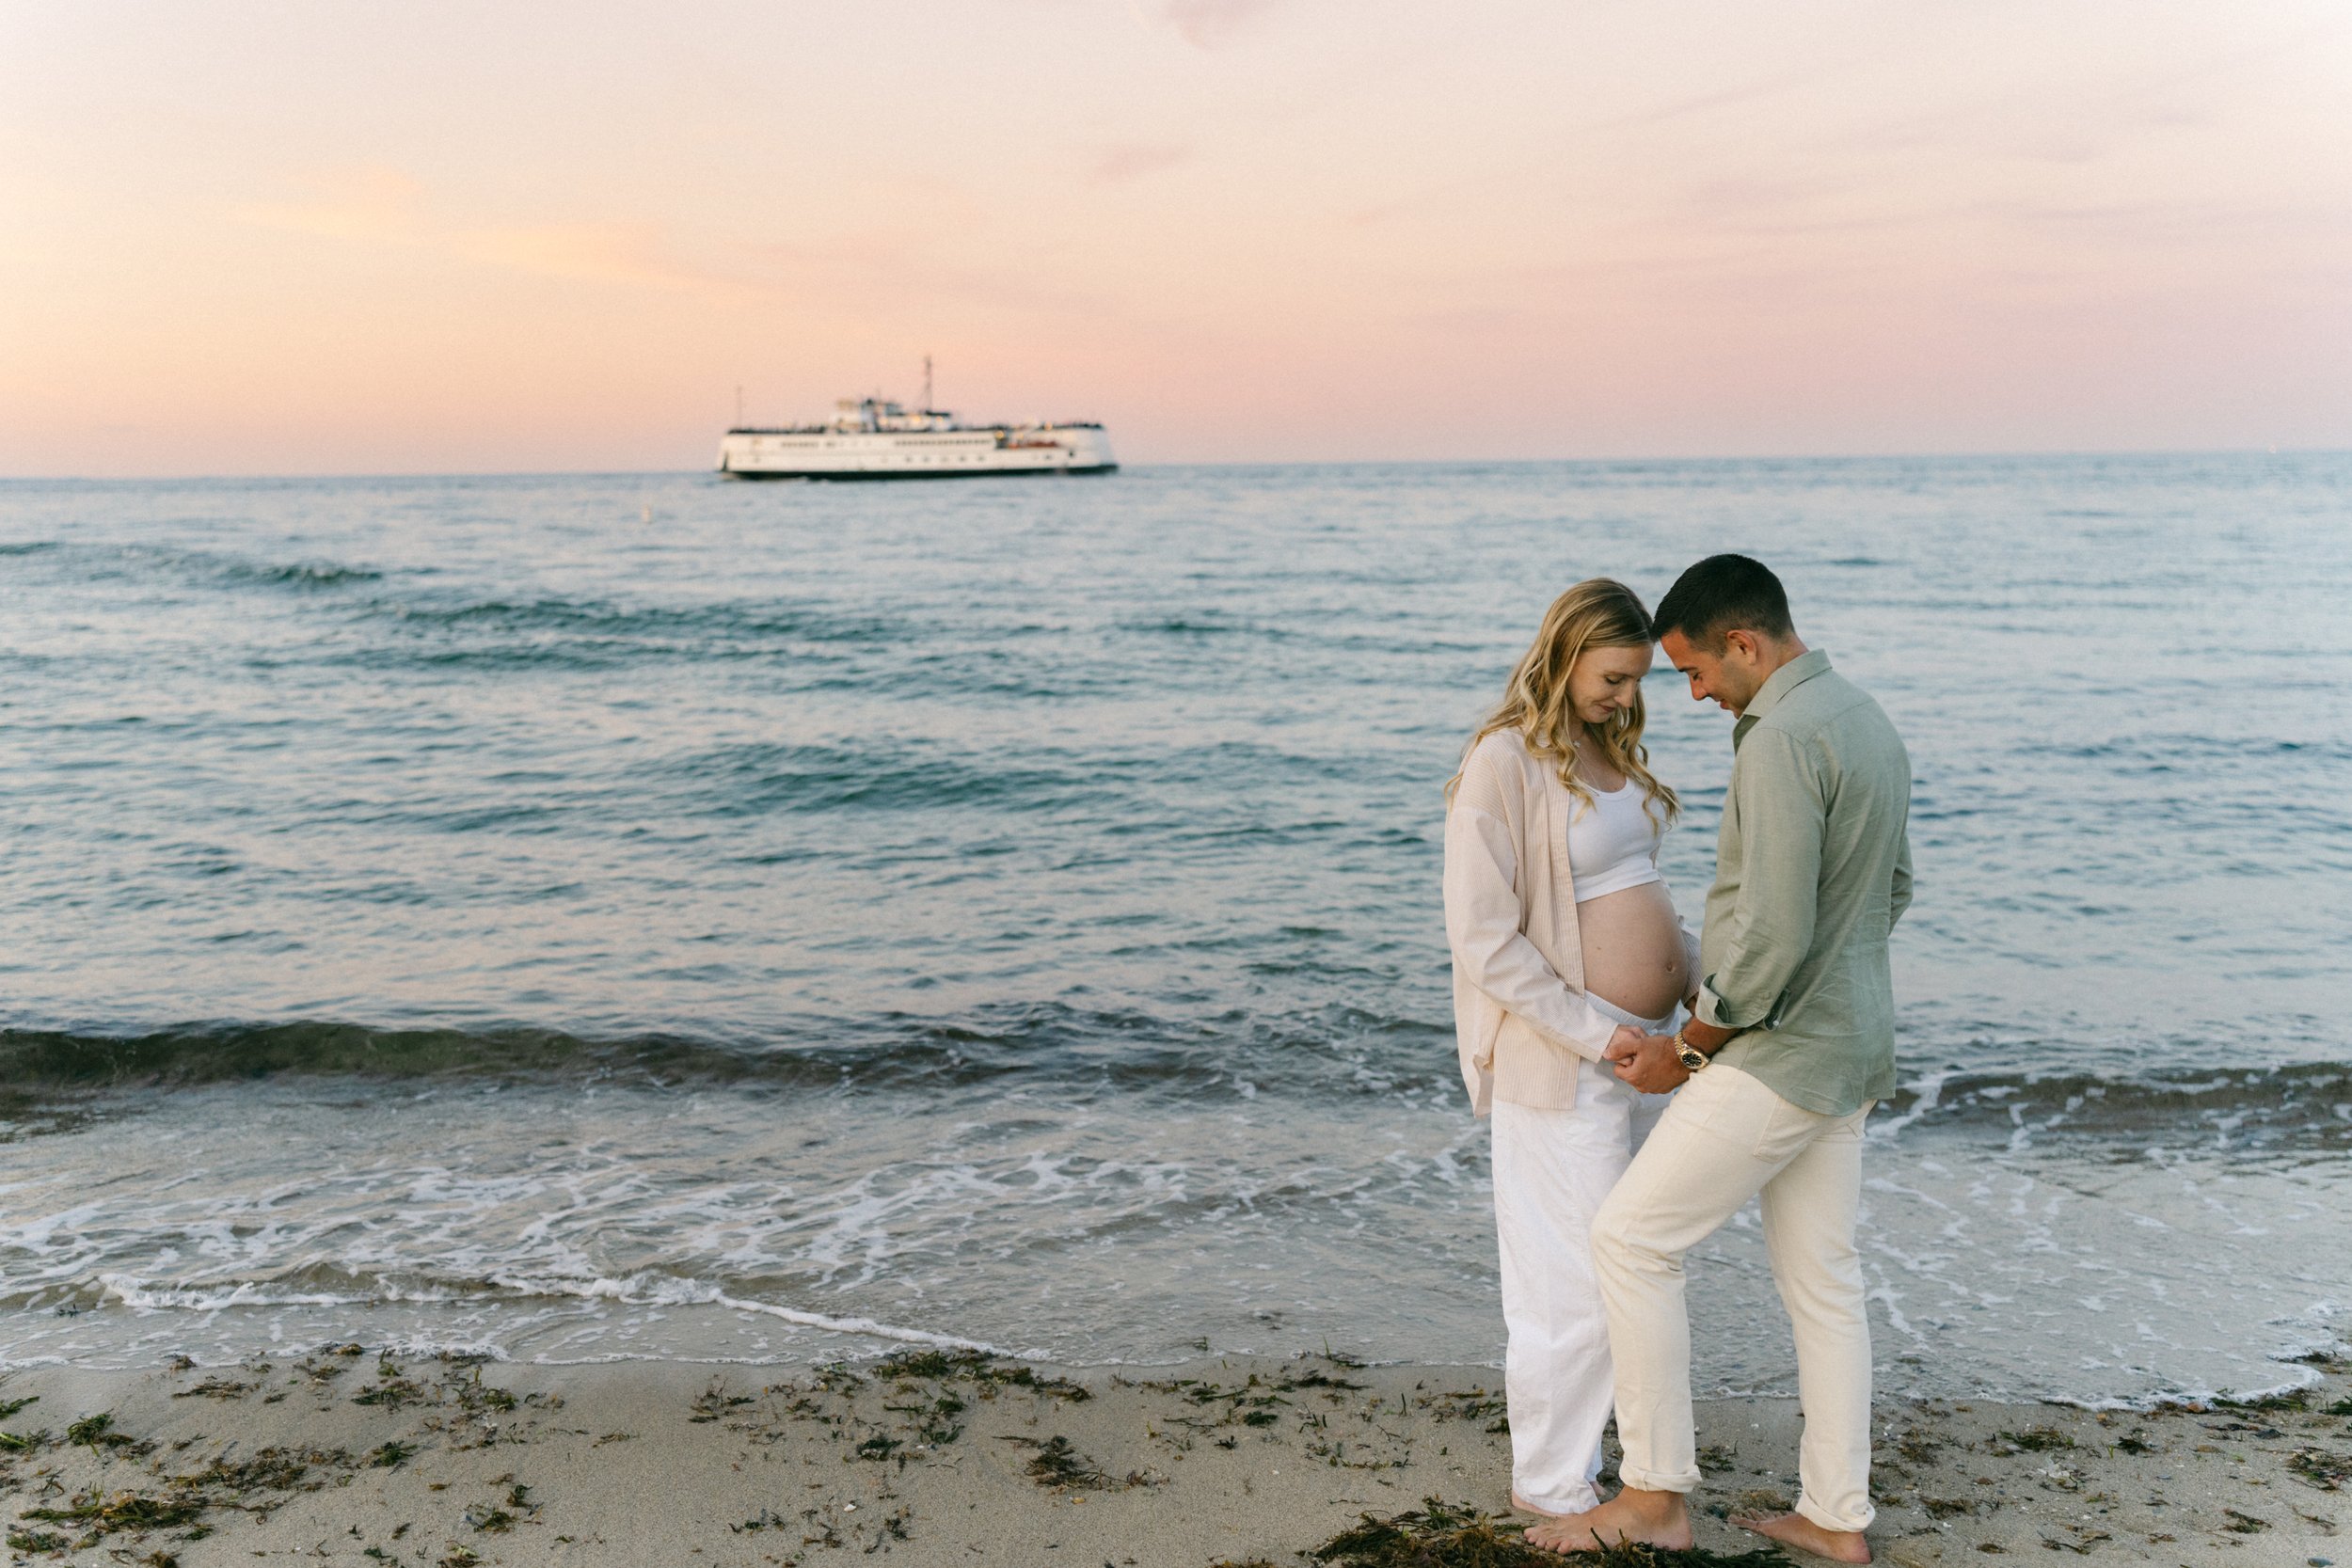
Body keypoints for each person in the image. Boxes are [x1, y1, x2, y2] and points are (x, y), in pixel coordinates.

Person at [1527, 555, 1913, 1563]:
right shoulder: (1864, 716)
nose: (1689, 693)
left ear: (1743, 642)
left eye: (1695, 669)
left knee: (1630, 1239)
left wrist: (1690, 1049)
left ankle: (1654, 1493)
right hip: (1854, 1042)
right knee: (1823, 1279)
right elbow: (1893, 890)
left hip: (1780, 1054)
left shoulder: (1781, 738)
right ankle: (1835, 1515)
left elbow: (1774, 932)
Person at [1441, 578, 1701, 1523]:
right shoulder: (1502, 762)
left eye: (1636, 681)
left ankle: (1589, 1468)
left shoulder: (1605, 750)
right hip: (1569, 1062)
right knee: (1569, 1284)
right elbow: (1483, 938)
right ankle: (1552, 1486)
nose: (1627, 696)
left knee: (1622, 1268)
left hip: (1645, 1056)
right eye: (1614, 676)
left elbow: (1639, 888)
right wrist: (1608, 1033)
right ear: (1563, 654)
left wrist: (1705, 994)